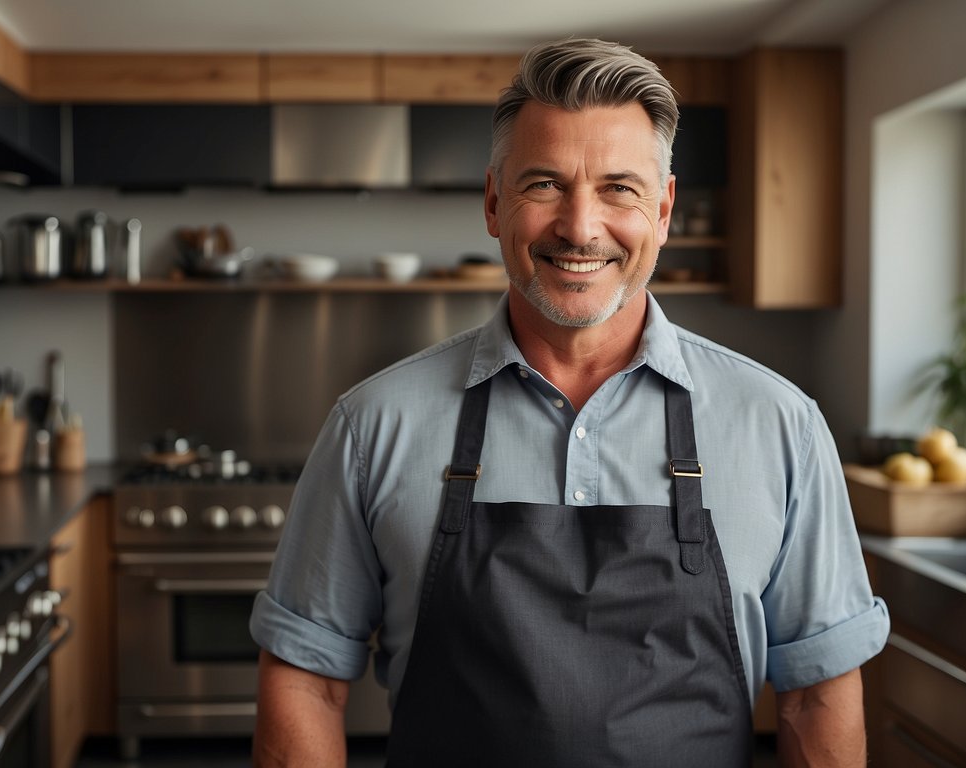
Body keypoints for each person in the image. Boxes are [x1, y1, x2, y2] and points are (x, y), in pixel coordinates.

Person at [249, 37, 889, 768]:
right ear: (494, 202)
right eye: (544, 184)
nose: (580, 228)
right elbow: (305, 682)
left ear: (665, 210)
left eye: (619, 187)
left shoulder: (780, 427)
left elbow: (818, 696)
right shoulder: (373, 427)